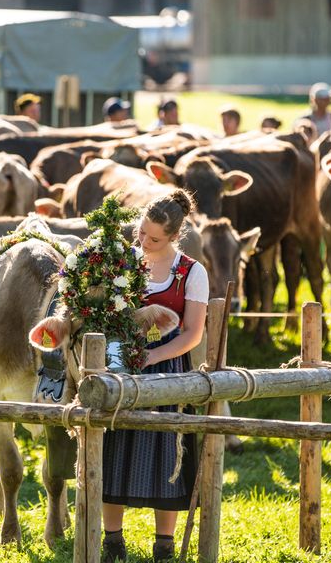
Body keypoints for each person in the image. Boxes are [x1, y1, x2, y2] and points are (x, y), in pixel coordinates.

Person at [102, 189, 209, 563]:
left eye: (154, 238)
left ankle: (163, 544)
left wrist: (151, 357)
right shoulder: (124, 264)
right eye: (142, 233)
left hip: (167, 369)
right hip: (120, 366)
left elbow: (192, 333)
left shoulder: (191, 272)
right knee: (115, 447)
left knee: (166, 453)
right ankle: (112, 540)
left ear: (175, 237)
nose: (144, 242)